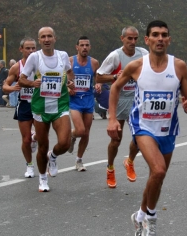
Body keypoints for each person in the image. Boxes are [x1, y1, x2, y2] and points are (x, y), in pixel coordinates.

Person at [107, 20, 187, 236]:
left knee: (158, 178)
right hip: (142, 126)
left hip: (167, 128)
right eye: (155, 35)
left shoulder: (179, 66)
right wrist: (112, 118)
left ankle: (139, 216)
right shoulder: (136, 66)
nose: (160, 38)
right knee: (158, 170)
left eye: (164, 35)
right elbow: (115, 87)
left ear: (169, 39)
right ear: (147, 40)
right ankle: (151, 219)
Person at [19, 26, 75, 192]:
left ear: (55, 38)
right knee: (42, 147)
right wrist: (31, 83)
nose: (46, 39)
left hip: (60, 105)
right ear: (39, 40)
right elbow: (21, 80)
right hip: (40, 107)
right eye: (43, 37)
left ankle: (54, 156)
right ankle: (43, 179)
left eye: (49, 36)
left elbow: (69, 72)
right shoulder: (34, 58)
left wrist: (70, 82)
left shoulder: (63, 55)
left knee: (65, 142)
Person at [96, 26, 149, 188]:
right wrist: (114, 76)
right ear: (122, 39)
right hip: (119, 100)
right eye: (129, 39)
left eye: (135, 39)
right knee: (116, 139)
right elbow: (98, 76)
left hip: (137, 100)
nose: (133, 42)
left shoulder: (144, 54)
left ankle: (130, 161)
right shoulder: (115, 56)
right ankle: (110, 168)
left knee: (141, 138)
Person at [3, 37, 38, 178]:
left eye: (33, 48)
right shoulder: (17, 67)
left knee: (42, 137)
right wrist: (12, 89)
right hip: (24, 104)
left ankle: (35, 137)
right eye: (27, 48)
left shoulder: (41, 63)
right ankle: (29, 166)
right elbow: (5, 85)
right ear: (21, 49)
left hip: (39, 104)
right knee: (25, 140)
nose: (30, 51)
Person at [67, 36, 101, 172]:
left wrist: (99, 84)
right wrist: (68, 88)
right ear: (77, 47)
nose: (85, 47)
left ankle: (79, 160)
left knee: (86, 133)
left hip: (88, 99)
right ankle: (72, 135)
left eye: (87, 45)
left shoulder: (94, 63)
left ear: (90, 47)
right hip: (75, 100)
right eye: (82, 45)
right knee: (80, 130)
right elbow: (63, 79)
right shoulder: (69, 61)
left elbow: (98, 79)